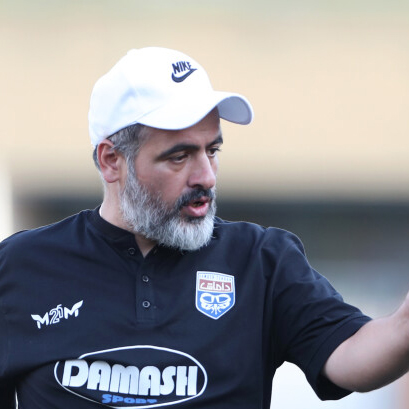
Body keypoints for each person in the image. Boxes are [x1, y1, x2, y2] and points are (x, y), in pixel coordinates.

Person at [0, 47, 408, 409]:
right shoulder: (20, 267)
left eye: (212, 150)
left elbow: (351, 354)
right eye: (179, 157)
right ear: (111, 161)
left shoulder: (261, 260)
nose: (206, 177)